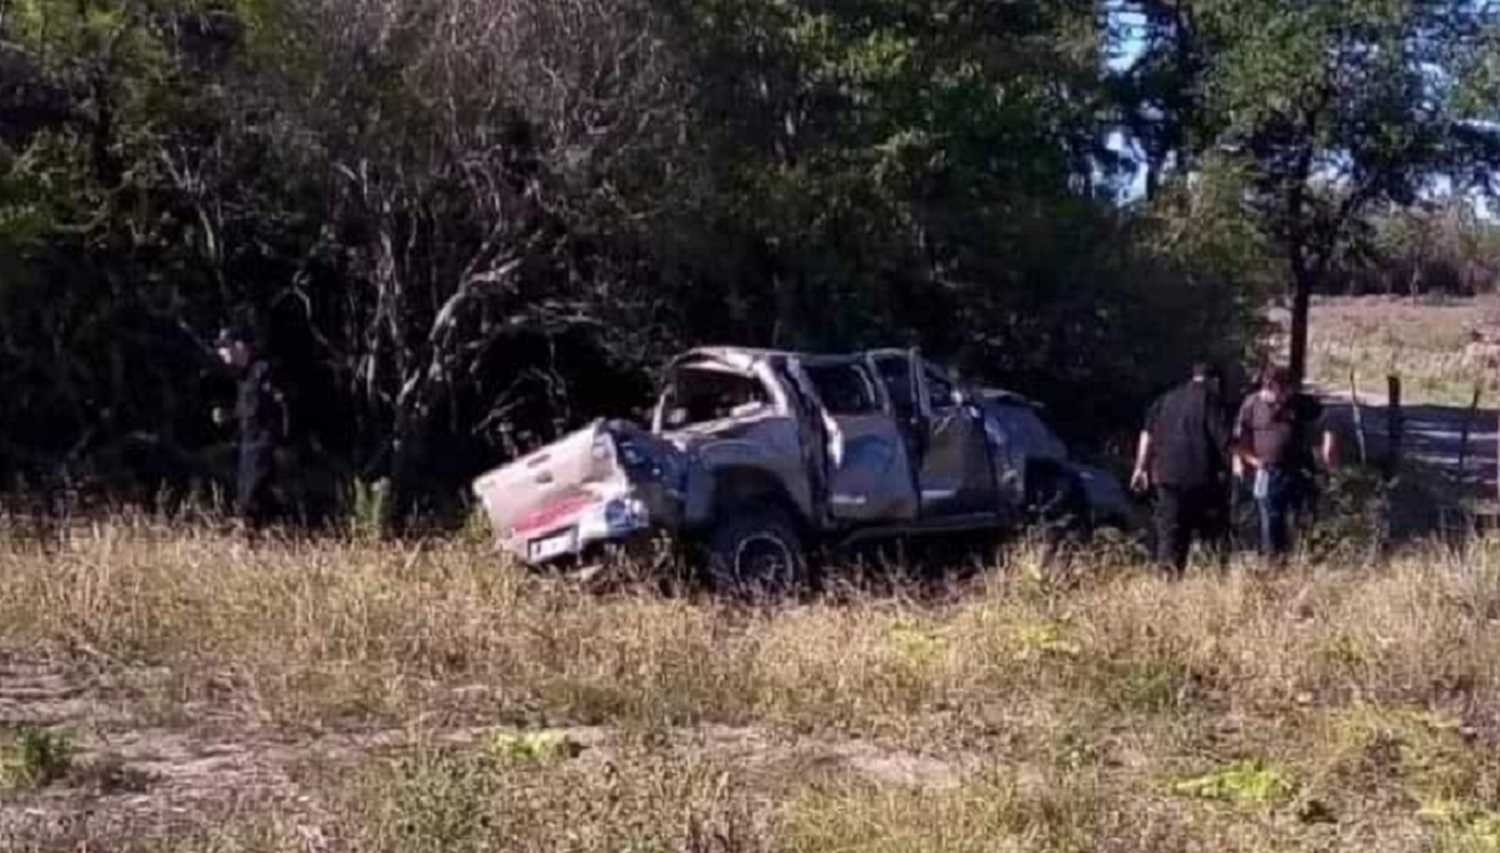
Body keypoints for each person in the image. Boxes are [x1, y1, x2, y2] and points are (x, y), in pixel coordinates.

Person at [1131, 362, 1234, 577]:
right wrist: (1235, 472)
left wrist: (1141, 468)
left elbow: (1147, 434)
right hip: (1202, 479)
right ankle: (1212, 584)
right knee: (1212, 539)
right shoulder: (1211, 400)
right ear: (1213, 381)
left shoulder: (1166, 399)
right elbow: (1223, 441)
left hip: (1166, 478)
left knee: (1170, 537)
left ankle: (1167, 584)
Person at [1233, 366, 1334, 565]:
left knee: (1301, 519)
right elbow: (1239, 439)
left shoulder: (1298, 404)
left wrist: (1327, 444)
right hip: (1266, 472)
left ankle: (1301, 561)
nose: (1282, 393)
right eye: (1273, 388)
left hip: (1297, 470)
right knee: (1270, 522)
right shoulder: (1252, 404)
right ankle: (1272, 564)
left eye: (1286, 388)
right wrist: (1246, 461)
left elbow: (1326, 418)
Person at [215, 327, 290, 530]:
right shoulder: (244, 377)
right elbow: (247, 412)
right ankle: (266, 536)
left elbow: (281, 406)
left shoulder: (262, 371)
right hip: (248, 445)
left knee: (252, 496)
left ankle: (253, 533)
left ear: (240, 346)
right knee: (249, 495)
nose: (222, 354)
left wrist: (282, 442)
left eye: (226, 347)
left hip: (264, 444)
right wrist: (228, 417)